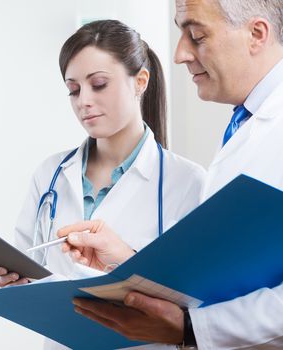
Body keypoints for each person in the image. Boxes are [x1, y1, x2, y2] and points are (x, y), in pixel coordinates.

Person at [60, 1, 283, 348]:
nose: (179, 54)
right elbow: (230, 272)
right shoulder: (246, 124)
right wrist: (127, 264)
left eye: (196, 35)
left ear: (256, 34)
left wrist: (191, 328)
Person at [0, 19, 206, 349]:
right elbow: (31, 266)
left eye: (99, 84)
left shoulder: (188, 181)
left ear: (140, 82)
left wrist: (124, 260)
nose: (83, 101)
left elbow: (197, 304)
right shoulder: (50, 173)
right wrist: (16, 279)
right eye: (74, 90)